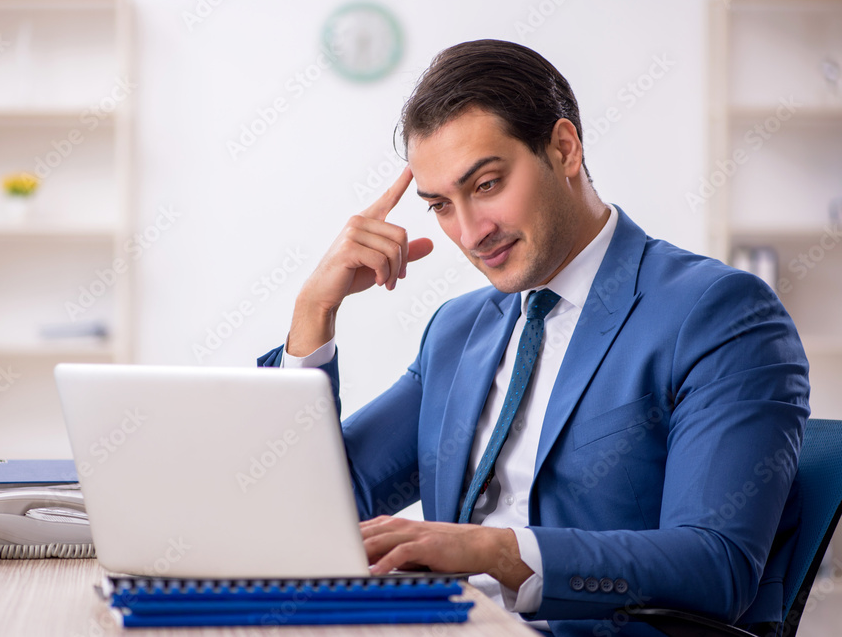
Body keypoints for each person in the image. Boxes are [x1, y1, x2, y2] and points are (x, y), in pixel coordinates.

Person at [258, 39, 809, 636]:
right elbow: (320, 506)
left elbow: (716, 566)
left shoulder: (717, 313)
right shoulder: (457, 331)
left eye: (487, 185)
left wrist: (494, 551)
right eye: (441, 205)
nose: (471, 233)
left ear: (564, 149)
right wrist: (314, 312)